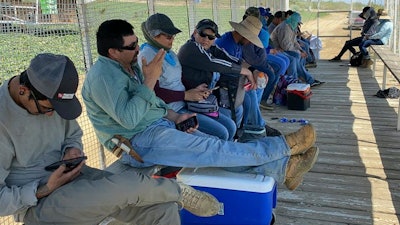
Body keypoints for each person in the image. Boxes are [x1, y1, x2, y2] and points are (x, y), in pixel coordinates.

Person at [82, 18, 320, 191]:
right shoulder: (103, 76)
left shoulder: (128, 64)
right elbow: (130, 118)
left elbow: (150, 102)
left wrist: (175, 118)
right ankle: (283, 148)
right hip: (137, 143)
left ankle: (284, 168)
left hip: (158, 127)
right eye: (131, 47)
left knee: (215, 149)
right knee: (214, 150)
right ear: (113, 52)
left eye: (136, 44)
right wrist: (151, 79)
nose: (137, 49)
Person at [0, 53, 221, 225]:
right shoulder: (3, 121)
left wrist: (72, 149)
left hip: (77, 180)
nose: (51, 115)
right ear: (23, 91)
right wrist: (45, 188)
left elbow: (73, 134)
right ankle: (177, 190)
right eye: (48, 109)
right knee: (127, 185)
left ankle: (168, 193)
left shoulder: (51, 103)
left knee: (161, 209)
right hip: (41, 203)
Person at [137, 13, 236, 141]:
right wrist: (185, 95)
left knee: (231, 126)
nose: (172, 39)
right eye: (168, 36)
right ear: (154, 35)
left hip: (186, 104)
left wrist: (195, 90)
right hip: (171, 112)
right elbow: (154, 93)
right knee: (222, 133)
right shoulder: (148, 56)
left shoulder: (168, 52)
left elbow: (178, 77)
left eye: (173, 36)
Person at [270, 11, 324, 87]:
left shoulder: (291, 26)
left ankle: (302, 79)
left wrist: (300, 50)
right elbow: (285, 46)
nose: (298, 24)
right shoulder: (284, 27)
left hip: (284, 49)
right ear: (293, 20)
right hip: (278, 49)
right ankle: (295, 81)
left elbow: (294, 41)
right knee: (294, 58)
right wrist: (299, 52)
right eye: (297, 22)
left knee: (298, 56)